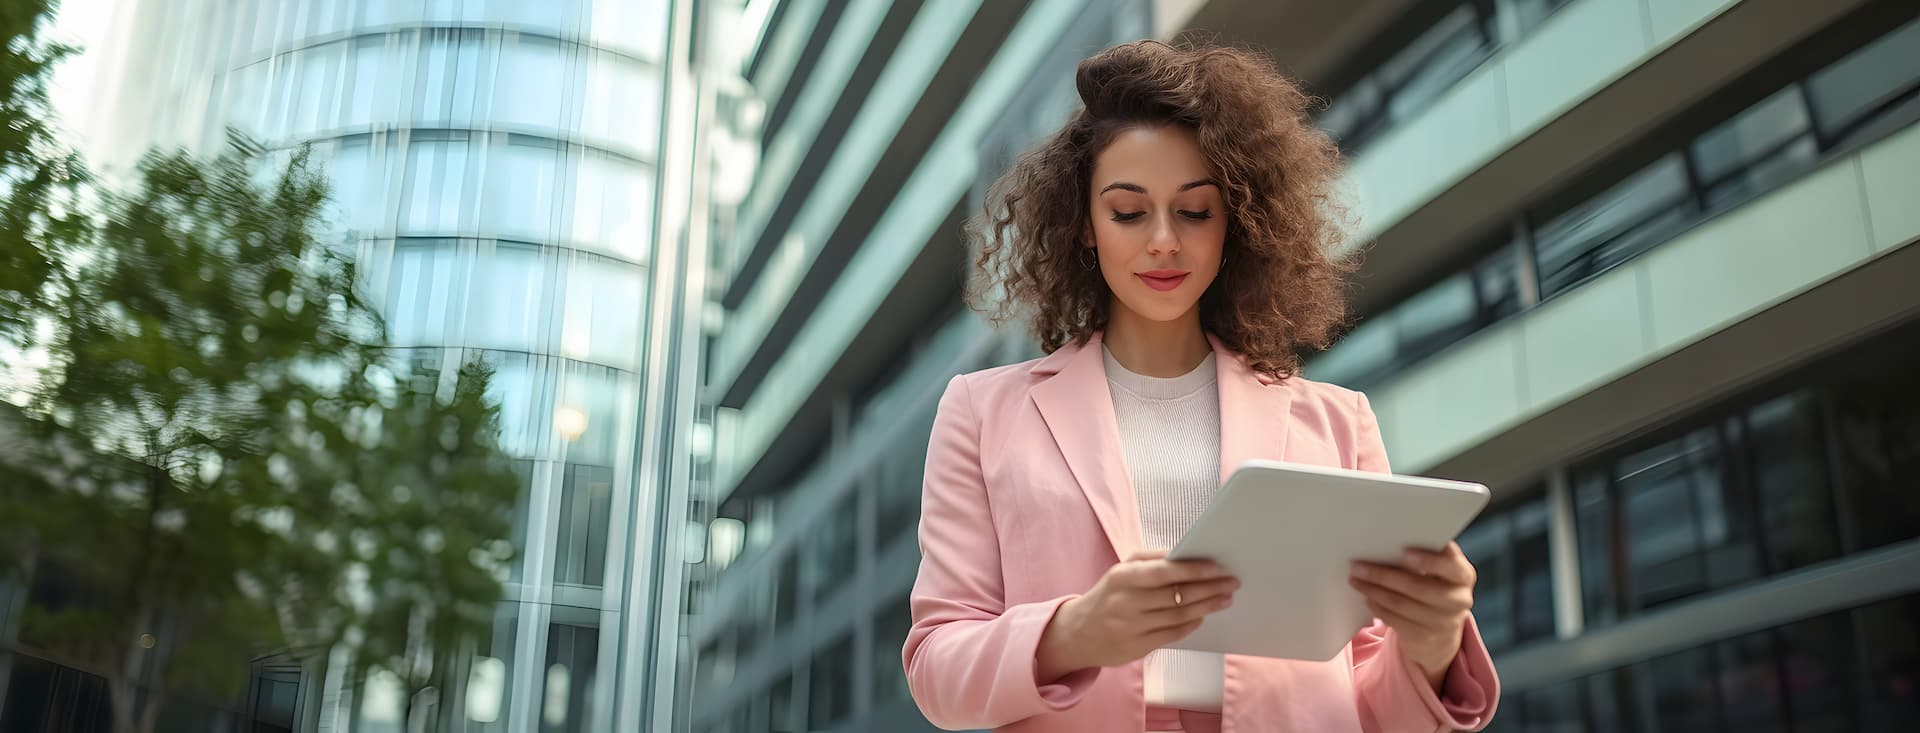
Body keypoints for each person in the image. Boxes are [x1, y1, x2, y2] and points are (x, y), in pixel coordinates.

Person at [900, 40, 1501, 732]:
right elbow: (937, 664)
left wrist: (1429, 646)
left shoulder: (1337, 421)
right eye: (1128, 211)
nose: (1163, 241)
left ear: (1233, 224)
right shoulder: (982, 412)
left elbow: (1369, 702)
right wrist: (1074, 632)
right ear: (1085, 228)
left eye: (1194, 211)